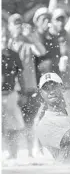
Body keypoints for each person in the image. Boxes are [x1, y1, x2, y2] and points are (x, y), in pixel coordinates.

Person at [8, 14, 46, 157]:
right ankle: (13, 153)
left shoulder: (27, 42)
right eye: (15, 23)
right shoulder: (6, 43)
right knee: (11, 124)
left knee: (30, 121)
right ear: (10, 26)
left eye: (19, 23)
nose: (18, 26)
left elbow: (41, 52)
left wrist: (30, 36)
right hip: (12, 89)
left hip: (29, 88)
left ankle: (31, 152)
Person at [49, 7, 70, 105]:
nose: (60, 22)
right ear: (52, 21)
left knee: (67, 112)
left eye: (62, 19)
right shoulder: (47, 36)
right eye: (57, 20)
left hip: (65, 82)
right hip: (48, 84)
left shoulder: (69, 37)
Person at [2, 22, 25, 160]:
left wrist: (22, 92)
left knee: (13, 126)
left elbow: (20, 75)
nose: (3, 39)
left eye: (5, 36)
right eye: (1, 37)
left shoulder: (13, 55)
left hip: (10, 94)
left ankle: (13, 154)